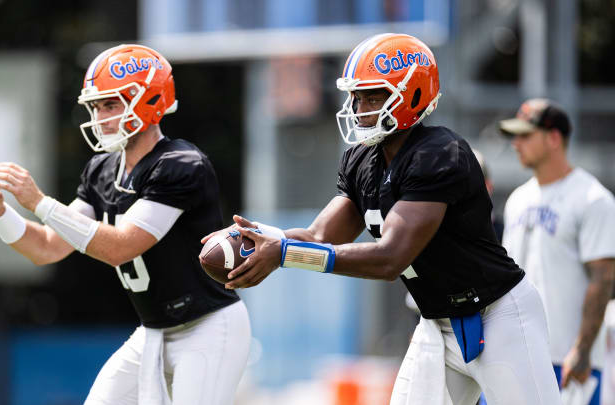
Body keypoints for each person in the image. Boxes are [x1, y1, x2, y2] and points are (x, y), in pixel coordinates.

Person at [206, 33, 562, 404]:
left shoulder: (440, 154)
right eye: (356, 96)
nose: (360, 107)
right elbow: (320, 234)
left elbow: (391, 258)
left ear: (414, 95)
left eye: (374, 95)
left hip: (498, 315)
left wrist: (284, 255)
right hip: (437, 322)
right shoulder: (362, 159)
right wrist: (260, 236)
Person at [0, 44, 251, 405]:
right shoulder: (102, 170)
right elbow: (46, 247)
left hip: (207, 327)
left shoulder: (180, 164)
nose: (101, 115)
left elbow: (120, 246)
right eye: (96, 106)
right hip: (154, 331)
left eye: (110, 104)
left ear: (150, 101)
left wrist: (41, 203)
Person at [500, 98, 615, 405]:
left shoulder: (592, 199)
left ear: (553, 138)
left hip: (567, 362)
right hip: (518, 356)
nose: (516, 143)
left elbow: (603, 279)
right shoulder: (517, 200)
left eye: (525, 135)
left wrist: (582, 349)